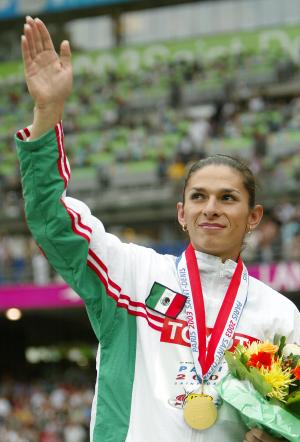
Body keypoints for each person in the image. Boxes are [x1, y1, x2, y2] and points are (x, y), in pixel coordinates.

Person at [16, 17, 299, 442]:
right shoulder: (133, 275)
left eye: (227, 198)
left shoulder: (279, 314)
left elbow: (292, 415)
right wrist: (47, 112)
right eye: (199, 198)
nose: (211, 210)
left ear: (254, 216)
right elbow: (52, 220)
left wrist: (280, 436)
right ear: (181, 214)